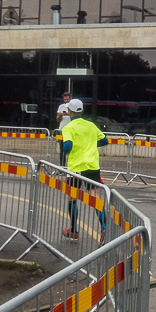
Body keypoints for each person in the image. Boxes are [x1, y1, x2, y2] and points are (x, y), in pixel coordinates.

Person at [60, 98, 108, 242]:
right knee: (95, 199)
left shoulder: (68, 127)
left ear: (69, 111)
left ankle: (74, 230)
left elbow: (67, 146)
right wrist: (91, 144)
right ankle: (104, 229)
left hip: (76, 168)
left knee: (72, 199)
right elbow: (105, 141)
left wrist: (65, 150)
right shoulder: (91, 125)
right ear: (81, 110)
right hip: (92, 166)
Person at [55, 91, 72, 165]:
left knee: (72, 148)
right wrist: (60, 115)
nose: (66, 101)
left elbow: (74, 115)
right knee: (62, 149)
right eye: (65, 99)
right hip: (62, 129)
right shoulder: (61, 106)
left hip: (71, 130)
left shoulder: (72, 106)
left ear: (70, 99)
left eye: (67, 99)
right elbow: (57, 119)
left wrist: (66, 113)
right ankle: (62, 166)